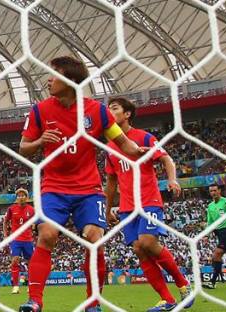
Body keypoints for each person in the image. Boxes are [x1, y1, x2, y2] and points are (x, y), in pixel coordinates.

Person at [17, 55, 148, 312]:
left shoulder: (97, 111)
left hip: (89, 190)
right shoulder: (39, 110)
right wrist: (40, 141)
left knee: (94, 238)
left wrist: (140, 151)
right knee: (47, 235)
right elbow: (23, 149)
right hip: (53, 188)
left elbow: (123, 142)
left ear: (70, 79)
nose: (48, 80)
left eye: (53, 74)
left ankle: (93, 302)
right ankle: (35, 301)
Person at [103, 97, 192, 311]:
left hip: (149, 201)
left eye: (114, 108)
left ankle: (183, 284)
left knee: (147, 243)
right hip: (126, 207)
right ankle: (167, 300)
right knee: (139, 250)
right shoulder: (109, 146)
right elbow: (111, 181)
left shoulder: (144, 137)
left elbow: (166, 159)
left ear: (127, 114)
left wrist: (172, 179)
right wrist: (107, 209)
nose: (110, 111)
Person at [4, 188, 34, 295]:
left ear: (27, 197)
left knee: (30, 263)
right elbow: (5, 221)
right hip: (16, 239)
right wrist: (5, 235)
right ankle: (16, 286)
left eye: (23, 196)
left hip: (28, 240)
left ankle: (30, 286)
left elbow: (35, 222)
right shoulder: (12, 209)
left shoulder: (31, 209)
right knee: (15, 260)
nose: (21, 198)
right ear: (17, 198)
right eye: (19, 196)